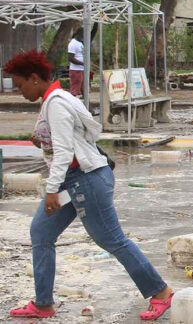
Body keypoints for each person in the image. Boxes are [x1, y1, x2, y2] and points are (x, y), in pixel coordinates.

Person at [4, 50, 174, 321]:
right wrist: (43, 141)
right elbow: (78, 136)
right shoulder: (57, 98)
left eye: (20, 84)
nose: (19, 91)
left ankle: (161, 292)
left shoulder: (56, 103)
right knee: (41, 232)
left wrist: (50, 190)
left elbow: (63, 152)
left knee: (111, 239)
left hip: (85, 180)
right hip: (73, 181)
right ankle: (43, 304)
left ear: (34, 78)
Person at [67, 29, 85, 97]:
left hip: (82, 69)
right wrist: (82, 63)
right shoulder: (73, 43)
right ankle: (71, 104)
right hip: (76, 70)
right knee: (75, 90)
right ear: (79, 34)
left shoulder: (80, 43)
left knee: (84, 88)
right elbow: (70, 58)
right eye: (83, 35)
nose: (84, 37)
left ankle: (85, 104)